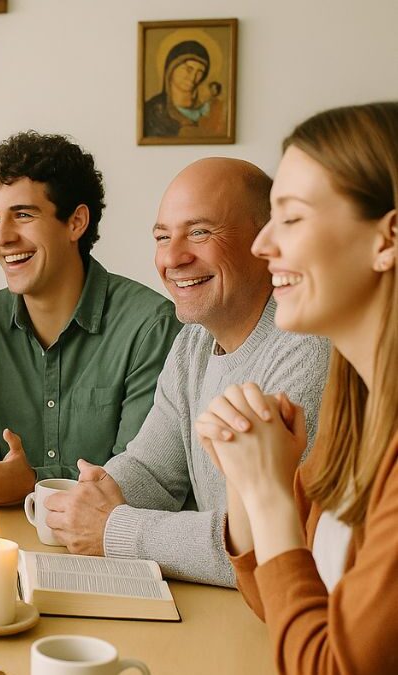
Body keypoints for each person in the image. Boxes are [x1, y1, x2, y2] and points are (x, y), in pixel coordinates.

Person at [44, 157, 330, 587]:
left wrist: (114, 529)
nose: (173, 257)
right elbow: (153, 471)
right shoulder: (193, 341)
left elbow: (272, 542)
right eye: (162, 237)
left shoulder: (308, 345)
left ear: (267, 240)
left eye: (199, 232)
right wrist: (92, 498)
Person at [196, 102, 398, 672]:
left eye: (291, 218)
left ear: (388, 238)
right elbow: (287, 604)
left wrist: (268, 494)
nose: (262, 246)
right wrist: (247, 480)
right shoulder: (357, 406)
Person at [0, 131, 180, 506]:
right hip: (3, 536)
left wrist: (29, 483)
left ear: (76, 222)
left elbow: (140, 476)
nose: (2, 237)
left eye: (23, 215)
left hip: (112, 550)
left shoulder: (150, 326)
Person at [143, 40, 226, 139]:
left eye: (200, 72)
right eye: (189, 69)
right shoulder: (151, 111)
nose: (193, 77)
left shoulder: (210, 108)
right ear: (171, 68)